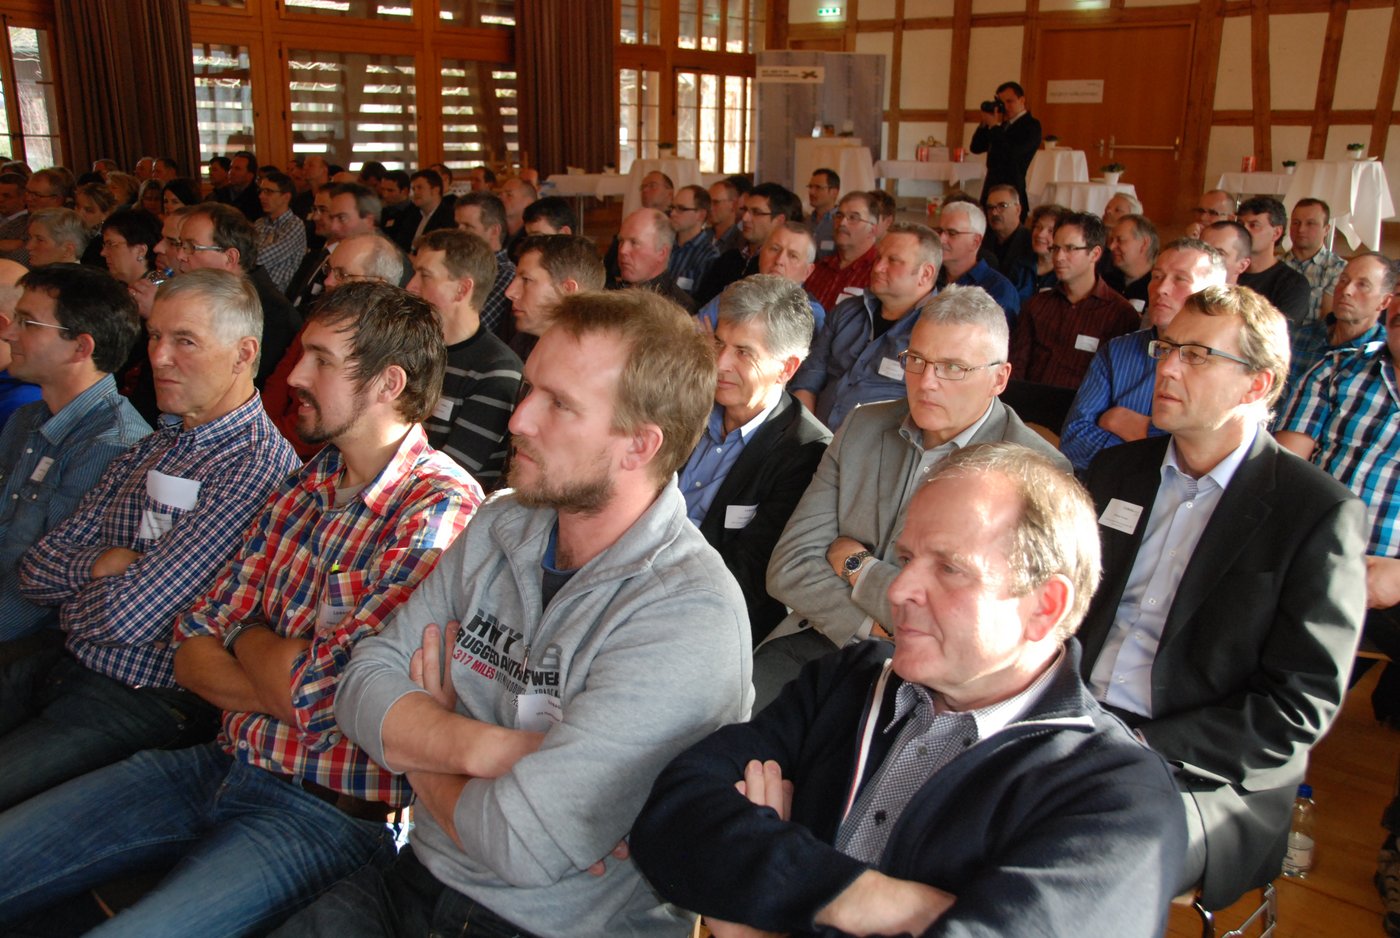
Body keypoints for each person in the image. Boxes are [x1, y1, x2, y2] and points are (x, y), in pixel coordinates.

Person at [0, 281, 481, 937]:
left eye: (319, 360)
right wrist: (277, 670)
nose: (294, 375)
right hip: (218, 763)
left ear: (388, 383)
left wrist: (251, 640)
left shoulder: (438, 508)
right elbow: (192, 642)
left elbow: (317, 695)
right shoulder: (305, 484)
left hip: (320, 812)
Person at [275, 289, 752, 938]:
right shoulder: (505, 522)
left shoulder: (689, 616)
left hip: (553, 925)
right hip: (420, 875)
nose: (518, 419)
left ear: (639, 445)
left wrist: (421, 742)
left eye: (559, 404)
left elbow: (520, 844)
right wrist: (495, 750)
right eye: (530, 389)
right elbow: (359, 689)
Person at [631, 442, 1186, 938]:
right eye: (904, 559)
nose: (897, 588)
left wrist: (759, 896)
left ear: (1045, 606)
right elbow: (672, 815)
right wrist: (863, 899)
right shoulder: (846, 681)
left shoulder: (1119, 797)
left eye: (948, 568)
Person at [1079, 284, 1367, 908]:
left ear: (1256, 386)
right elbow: (1062, 612)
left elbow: (1299, 707)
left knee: (1067, 845)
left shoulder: (1314, 513)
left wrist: (1141, 744)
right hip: (1077, 721)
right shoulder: (1116, 473)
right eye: (1167, 347)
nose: (1168, 366)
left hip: (1202, 772)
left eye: (1198, 354)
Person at [1, 270, 301, 810]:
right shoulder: (156, 441)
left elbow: (130, 617)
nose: (159, 356)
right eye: (156, 335)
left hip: (141, 698)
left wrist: (76, 593)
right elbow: (35, 568)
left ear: (243, 354)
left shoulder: (255, 464)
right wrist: (100, 567)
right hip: (66, 662)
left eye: (184, 341)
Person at [755, 285, 1071, 706]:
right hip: (818, 641)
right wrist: (871, 628)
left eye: (953, 367)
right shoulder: (863, 426)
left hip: (932, 686)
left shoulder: (1034, 471)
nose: (927, 382)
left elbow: (967, 625)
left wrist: (857, 566)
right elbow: (789, 567)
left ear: (1000, 377)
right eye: (917, 360)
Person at [0, 264, 149, 640]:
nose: (10, 333)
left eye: (28, 324)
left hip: (35, 646)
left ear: (81, 347)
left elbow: (42, 593)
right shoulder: (26, 419)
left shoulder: (111, 446)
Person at [680, 274, 831, 644]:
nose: (720, 363)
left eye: (743, 352)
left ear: (788, 368)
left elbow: (750, 576)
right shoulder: (687, 403)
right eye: (718, 343)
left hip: (704, 616)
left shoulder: (804, 451)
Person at [1059, 238, 1228, 473]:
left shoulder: (1222, 362)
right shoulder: (1117, 351)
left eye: (1180, 279)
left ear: (1212, 293)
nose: (1161, 289)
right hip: (1105, 492)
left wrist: (1129, 424)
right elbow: (1074, 441)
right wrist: (1155, 447)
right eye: (1156, 276)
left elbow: (1203, 455)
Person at [792, 224, 942, 431]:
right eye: (878, 258)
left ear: (926, 273)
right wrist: (811, 438)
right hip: (815, 438)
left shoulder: (941, 330)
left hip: (882, 454)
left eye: (893, 261)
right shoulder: (846, 312)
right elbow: (807, 381)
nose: (878, 267)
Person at [407, 228, 522, 489]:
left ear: (462, 289)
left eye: (424, 275)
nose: (411, 286)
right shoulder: (412, 351)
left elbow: (452, 474)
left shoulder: (496, 370)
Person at [175, 202, 300, 389]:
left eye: (191, 247)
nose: (180, 255)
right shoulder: (202, 297)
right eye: (180, 245)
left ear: (230, 258)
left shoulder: (274, 315)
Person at [1009, 211, 1139, 390]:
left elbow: (1118, 382)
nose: (1059, 257)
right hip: (1029, 408)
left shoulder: (1119, 314)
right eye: (1055, 248)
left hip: (1084, 412)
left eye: (1070, 248)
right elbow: (1017, 369)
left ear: (1095, 254)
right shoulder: (1037, 306)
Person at [1279, 251, 1392, 406]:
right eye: (1343, 280)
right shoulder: (1295, 340)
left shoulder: (1386, 358)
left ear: (1384, 302)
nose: (1346, 291)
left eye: (1362, 285)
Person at [696, 222, 825, 335]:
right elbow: (692, 330)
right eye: (774, 249)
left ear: (807, 272)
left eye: (792, 256)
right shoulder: (735, 292)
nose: (779, 260)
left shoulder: (811, 315)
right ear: (760, 253)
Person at [695, 183, 802, 306]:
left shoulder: (777, 268)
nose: (745, 218)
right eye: (745, 210)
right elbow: (700, 303)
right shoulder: (729, 258)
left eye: (756, 212)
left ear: (779, 220)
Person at [503, 232, 605, 360]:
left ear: (568, 290)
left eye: (526, 280)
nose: (509, 292)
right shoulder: (523, 342)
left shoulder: (598, 362)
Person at [931, 200, 1020, 325]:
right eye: (939, 231)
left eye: (952, 233)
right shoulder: (928, 276)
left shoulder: (998, 289)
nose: (941, 239)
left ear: (975, 242)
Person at [1236, 195, 1311, 328]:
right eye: (1241, 224)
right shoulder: (1228, 272)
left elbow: (1277, 332)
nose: (1243, 231)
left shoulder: (1294, 284)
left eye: (1254, 225)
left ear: (1276, 233)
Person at [803, 190, 883, 313]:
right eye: (839, 216)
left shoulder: (879, 273)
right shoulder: (819, 268)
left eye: (853, 218)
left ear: (873, 229)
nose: (842, 223)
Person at [969, 81, 1042, 212]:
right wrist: (985, 123)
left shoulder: (1031, 125)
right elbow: (976, 147)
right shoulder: (1001, 126)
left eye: (1010, 101)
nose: (1006, 107)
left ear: (1022, 100)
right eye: (1002, 103)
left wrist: (994, 127)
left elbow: (1012, 153)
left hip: (1012, 186)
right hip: (991, 185)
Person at [454, 190, 517, 334]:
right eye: (458, 225)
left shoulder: (505, 273)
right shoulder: (460, 267)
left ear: (494, 231)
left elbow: (471, 330)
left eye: (468, 226)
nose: (459, 233)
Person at [613, 207, 697, 313]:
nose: (622, 250)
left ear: (661, 253)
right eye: (621, 241)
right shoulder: (611, 292)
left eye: (634, 243)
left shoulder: (678, 309)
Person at [1283, 197, 1348, 321]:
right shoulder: (1276, 264)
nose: (1301, 229)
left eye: (1310, 223)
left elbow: (1329, 321)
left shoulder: (1339, 268)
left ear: (1326, 229)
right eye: (1296, 223)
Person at [253, 170, 308, 293]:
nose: (261, 196)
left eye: (268, 192)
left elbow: (260, 258)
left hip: (278, 294)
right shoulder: (259, 223)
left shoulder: (294, 225)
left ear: (286, 197)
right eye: (261, 191)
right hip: (255, 288)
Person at [977, 183, 1035, 298]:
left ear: (1018, 209)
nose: (994, 213)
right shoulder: (983, 242)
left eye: (1002, 206)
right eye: (990, 207)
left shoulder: (1031, 242)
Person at [667, 184, 719, 297]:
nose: (673, 213)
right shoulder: (665, 246)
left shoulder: (709, 255)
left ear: (701, 215)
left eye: (681, 209)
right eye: (672, 208)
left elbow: (699, 302)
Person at [1103, 213, 1158, 311]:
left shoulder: (1157, 288)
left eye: (1120, 240)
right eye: (1111, 240)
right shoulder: (1104, 282)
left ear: (1144, 244)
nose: (1111, 247)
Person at [806, 167, 840, 259]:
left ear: (834, 192)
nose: (811, 192)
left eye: (818, 187)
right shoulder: (805, 222)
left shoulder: (841, 222)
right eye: (810, 187)